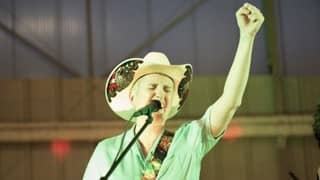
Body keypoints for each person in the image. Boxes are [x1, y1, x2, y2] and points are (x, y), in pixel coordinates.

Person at [83, 2, 264, 180]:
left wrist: (247, 38)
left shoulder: (189, 141)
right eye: (152, 87)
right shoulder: (106, 152)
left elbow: (230, 102)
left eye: (167, 89)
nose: (160, 94)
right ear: (132, 97)